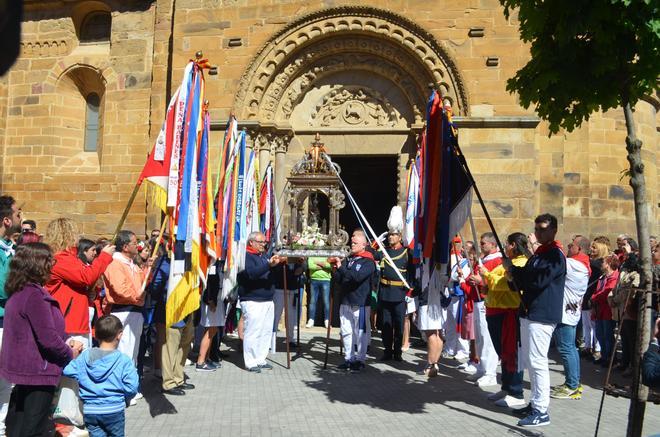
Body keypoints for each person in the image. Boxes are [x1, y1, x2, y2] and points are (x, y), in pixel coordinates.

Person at [0, 243, 82, 436]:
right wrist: (69, 351)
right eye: (49, 261)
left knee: (20, 427)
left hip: (27, 371)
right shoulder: (34, 296)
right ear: (37, 264)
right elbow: (48, 339)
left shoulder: (20, 292)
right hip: (38, 372)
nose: (52, 265)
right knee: (33, 429)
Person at [504, 213, 566, 427]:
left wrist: (515, 271)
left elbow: (537, 281)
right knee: (531, 360)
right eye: (537, 228)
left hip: (542, 313)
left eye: (543, 229)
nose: (538, 232)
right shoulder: (540, 253)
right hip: (529, 312)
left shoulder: (554, 256)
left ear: (553, 231)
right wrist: (514, 273)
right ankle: (535, 403)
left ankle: (541, 410)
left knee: (538, 361)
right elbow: (528, 275)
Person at [63, 315, 139, 437]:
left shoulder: (85, 357)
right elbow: (132, 387)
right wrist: (125, 399)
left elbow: (67, 371)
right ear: (119, 334)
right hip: (114, 408)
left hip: (90, 409)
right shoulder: (124, 360)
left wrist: (75, 356)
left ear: (96, 335)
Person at [44, 218, 114, 351]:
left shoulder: (68, 258)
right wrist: (104, 256)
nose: (77, 237)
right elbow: (86, 277)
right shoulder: (61, 258)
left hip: (75, 321)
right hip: (69, 323)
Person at [480, 232, 530, 408]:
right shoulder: (509, 262)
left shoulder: (521, 263)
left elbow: (504, 284)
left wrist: (487, 275)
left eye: (507, 244)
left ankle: (516, 392)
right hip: (496, 311)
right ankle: (507, 387)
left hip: (509, 313)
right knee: (504, 354)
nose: (505, 247)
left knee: (512, 353)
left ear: (513, 245)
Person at [102, 230, 147, 404]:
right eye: (135, 242)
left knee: (132, 353)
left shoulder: (132, 264)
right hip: (123, 310)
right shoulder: (115, 263)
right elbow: (121, 288)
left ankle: (130, 387)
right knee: (125, 352)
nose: (138, 245)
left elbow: (141, 283)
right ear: (126, 246)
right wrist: (137, 297)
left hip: (134, 310)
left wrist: (146, 268)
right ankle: (123, 391)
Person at [330, 230, 376, 372]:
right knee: (346, 331)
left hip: (360, 302)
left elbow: (356, 277)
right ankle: (348, 358)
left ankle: (360, 360)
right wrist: (335, 270)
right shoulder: (349, 259)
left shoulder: (368, 261)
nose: (352, 244)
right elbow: (341, 279)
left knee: (360, 332)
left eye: (355, 243)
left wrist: (341, 267)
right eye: (352, 242)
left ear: (364, 245)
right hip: (346, 300)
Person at [551, 235, 590, 400]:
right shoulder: (582, 264)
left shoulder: (575, 265)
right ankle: (573, 382)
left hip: (565, 314)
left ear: (579, 249)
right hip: (571, 312)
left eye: (570, 245)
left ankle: (572, 385)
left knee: (566, 349)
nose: (568, 248)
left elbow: (554, 259)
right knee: (570, 348)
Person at [237, 231, 280, 373]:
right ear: (251, 242)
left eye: (264, 242)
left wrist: (277, 265)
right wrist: (269, 264)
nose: (263, 245)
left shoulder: (263, 256)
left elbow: (269, 273)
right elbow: (251, 274)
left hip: (267, 300)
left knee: (265, 331)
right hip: (253, 300)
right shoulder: (246, 256)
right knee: (253, 331)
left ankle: (261, 358)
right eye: (260, 242)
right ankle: (250, 361)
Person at [465, 232, 501, 387]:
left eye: (483, 243)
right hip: (477, 300)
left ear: (492, 244)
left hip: (487, 300)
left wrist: (481, 281)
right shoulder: (482, 260)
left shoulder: (498, 260)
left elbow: (497, 281)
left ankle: (490, 373)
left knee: (487, 339)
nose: (481, 246)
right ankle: (481, 368)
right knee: (479, 338)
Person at [377, 206, 412, 362]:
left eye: (393, 235)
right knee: (385, 324)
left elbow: (411, 272)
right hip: (385, 292)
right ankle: (387, 350)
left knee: (398, 324)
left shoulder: (406, 253)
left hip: (399, 293)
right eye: (389, 235)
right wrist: (378, 239)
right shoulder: (383, 251)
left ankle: (397, 351)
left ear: (400, 236)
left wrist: (411, 289)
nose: (390, 237)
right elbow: (370, 253)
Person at [0, 196, 22, 437]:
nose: (20, 217)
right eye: (17, 214)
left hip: (8, 321)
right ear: (7, 220)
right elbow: (3, 287)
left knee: (5, 381)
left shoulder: (11, 248)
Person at [414, 257, 446, 378]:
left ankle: (431, 365)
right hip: (436, 299)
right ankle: (434, 364)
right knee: (437, 334)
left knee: (431, 334)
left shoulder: (429, 262)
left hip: (429, 299)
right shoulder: (437, 262)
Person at [590, 254, 620, 366]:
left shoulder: (614, 277)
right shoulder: (603, 277)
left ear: (608, 264)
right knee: (600, 333)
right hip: (599, 310)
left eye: (603, 262)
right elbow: (598, 290)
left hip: (607, 310)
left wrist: (593, 297)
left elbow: (606, 293)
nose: (601, 264)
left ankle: (610, 358)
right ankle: (604, 355)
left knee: (608, 335)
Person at [581, 240, 608, 361]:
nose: (591, 249)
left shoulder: (599, 263)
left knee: (593, 324)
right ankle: (587, 346)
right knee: (586, 324)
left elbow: (594, 267)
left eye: (594, 247)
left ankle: (597, 349)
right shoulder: (591, 262)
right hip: (586, 294)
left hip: (594, 294)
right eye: (591, 247)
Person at [197, 259, 225, 372]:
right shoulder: (211, 263)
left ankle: (206, 358)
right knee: (210, 330)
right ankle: (200, 361)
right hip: (212, 300)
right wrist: (210, 300)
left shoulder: (217, 263)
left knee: (213, 330)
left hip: (217, 299)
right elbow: (209, 283)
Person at [272, 259, 303, 350]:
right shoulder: (280, 254)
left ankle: (290, 339)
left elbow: (303, 267)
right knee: (276, 314)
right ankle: (272, 339)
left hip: (292, 289)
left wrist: (302, 266)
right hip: (279, 289)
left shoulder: (296, 256)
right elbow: (276, 270)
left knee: (291, 315)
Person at [306, 256, 332, 328]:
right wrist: (323, 265)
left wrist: (317, 263)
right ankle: (311, 319)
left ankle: (327, 320)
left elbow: (330, 266)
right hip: (314, 279)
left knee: (326, 301)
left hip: (326, 280)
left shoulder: (327, 254)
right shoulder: (312, 254)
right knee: (313, 301)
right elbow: (310, 266)